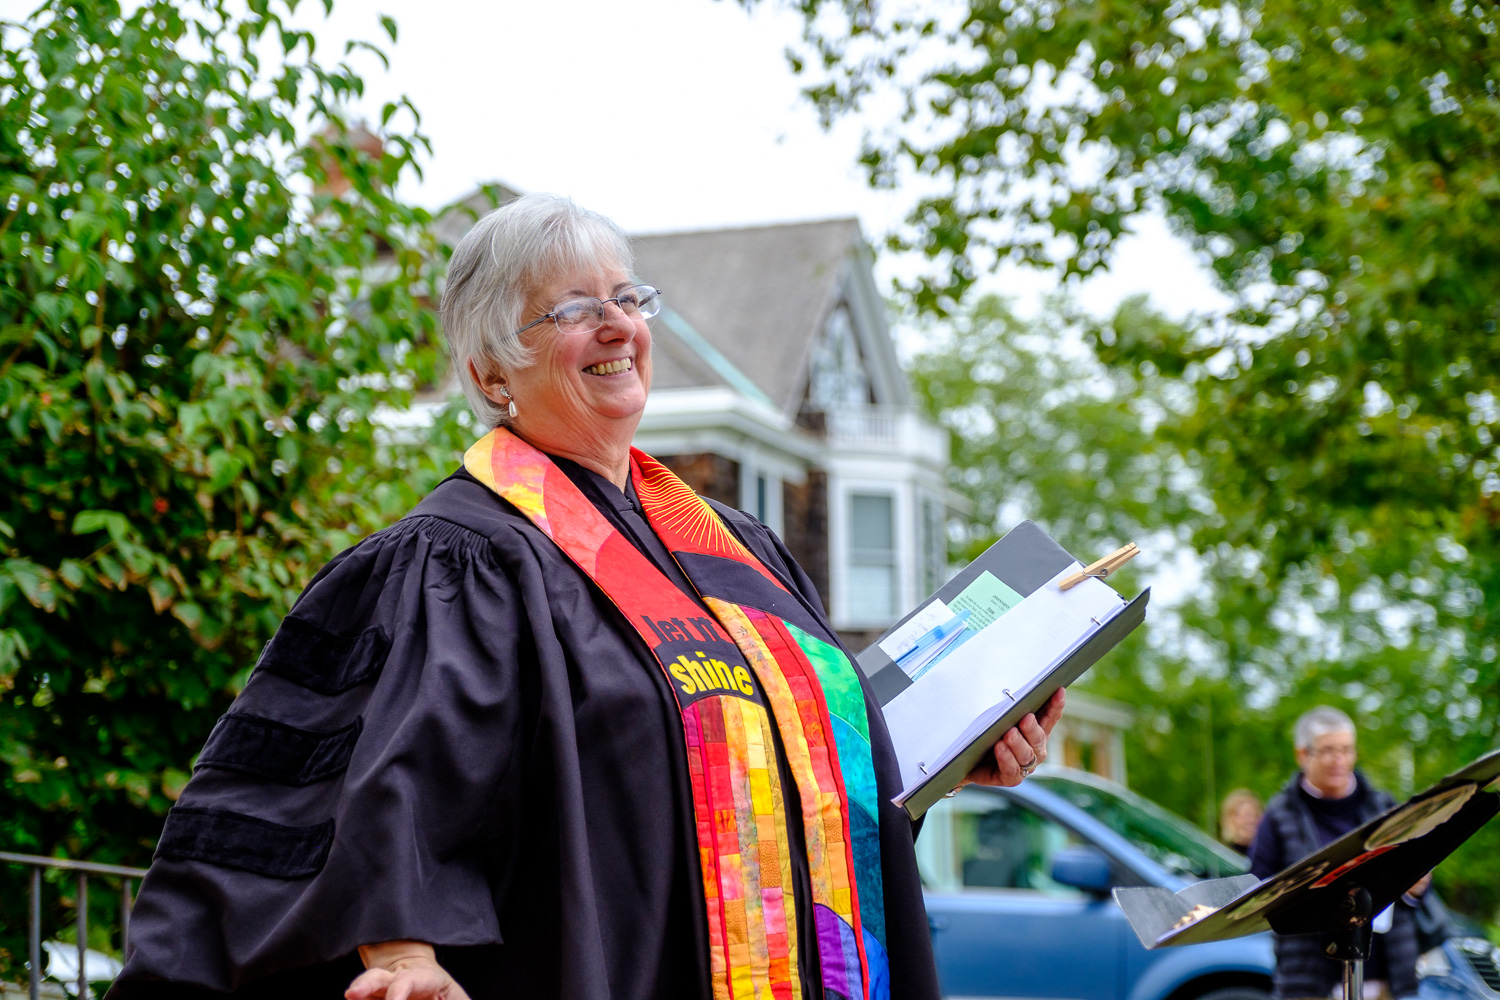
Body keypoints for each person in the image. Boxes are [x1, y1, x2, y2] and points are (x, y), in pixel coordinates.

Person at [108, 193, 1065, 1000]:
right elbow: (389, 779)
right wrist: (401, 949)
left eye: (626, 298)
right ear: (489, 374)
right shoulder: (463, 562)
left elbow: (783, 786)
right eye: (569, 310)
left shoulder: (744, 554)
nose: (616, 326)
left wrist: (925, 766)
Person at [1248, 706, 1428, 1000]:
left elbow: (1415, 887)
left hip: (1386, 975)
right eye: (1328, 751)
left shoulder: (1384, 806)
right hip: (1308, 978)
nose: (1339, 760)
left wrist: (1418, 887)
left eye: (1346, 750)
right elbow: (1257, 888)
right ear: (1302, 754)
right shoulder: (1280, 815)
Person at [1219, 788, 1263, 854]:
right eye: (1247, 815)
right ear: (1231, 819)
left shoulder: (1266, 854)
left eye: (1256, 815)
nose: (1252, 820)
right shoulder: (1223, 855)